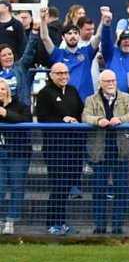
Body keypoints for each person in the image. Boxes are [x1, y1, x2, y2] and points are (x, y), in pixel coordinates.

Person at [81, 70, 129, 235]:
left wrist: (120, 120)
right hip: (100, 152)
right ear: (101, 83)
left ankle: (117, 226)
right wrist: (98, 121)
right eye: (107, 81)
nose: (111, 84)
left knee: (121, 190)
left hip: (121, 151)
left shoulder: (127, 98)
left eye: (113, 80)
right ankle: (99, 226)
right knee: (99, 191)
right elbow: (86, 116)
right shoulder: (91, 100)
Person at [35, 63, 84, 234]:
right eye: (59, 73)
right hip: (55, 148)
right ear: (51, 75)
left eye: (66, 73)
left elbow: (81, 111)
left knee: (65, 188)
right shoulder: (45, 94)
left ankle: (61, 222)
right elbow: (42, 118)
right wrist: (62, 120)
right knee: (57, 187)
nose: (63, 76)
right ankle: (52, 223)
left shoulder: (72, 91)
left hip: (73, 148)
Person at [0, 79, 32, 234]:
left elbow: (25, 121)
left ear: (8, 90)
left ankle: (12, 219)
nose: (0, 92)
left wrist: (5, 113)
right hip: (1, 153)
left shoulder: (22, 106)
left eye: (2, 89)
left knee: (16, 186)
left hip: (19, 153)